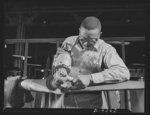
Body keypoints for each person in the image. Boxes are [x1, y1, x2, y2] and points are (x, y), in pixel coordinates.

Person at [19, 16, 130, 108]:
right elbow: (64, 54)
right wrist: (61, 68)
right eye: (83, 39)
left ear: (99, 34)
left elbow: (123, 72)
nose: (86, 44)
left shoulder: (106, 49)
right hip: (66, 98)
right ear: (79, 31)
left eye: (92, 41)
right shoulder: (69, 41)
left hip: (91, 101)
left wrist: (91, 78)